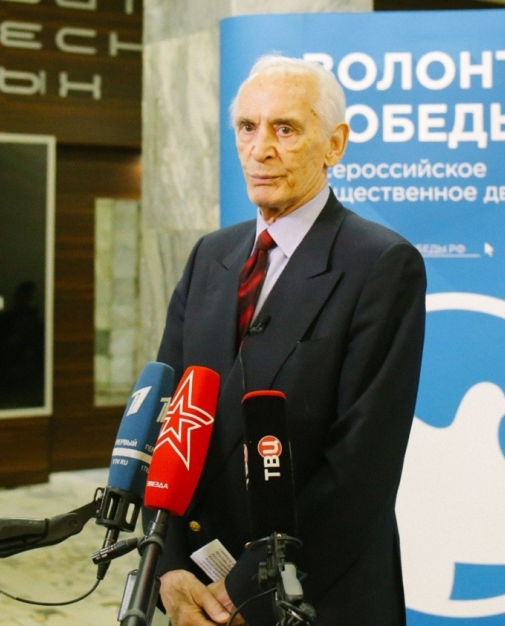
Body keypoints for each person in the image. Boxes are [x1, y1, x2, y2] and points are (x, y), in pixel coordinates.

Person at [154, 54, 426, 626]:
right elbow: (168, 423)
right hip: (193, 590)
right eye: (247, 127)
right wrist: (169, 569)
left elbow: (361, 467)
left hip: (316, 596)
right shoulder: (209, 256)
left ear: (334, 145)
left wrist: (244, 592)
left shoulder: (381, 264)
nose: (260, 149)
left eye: (285, 129)